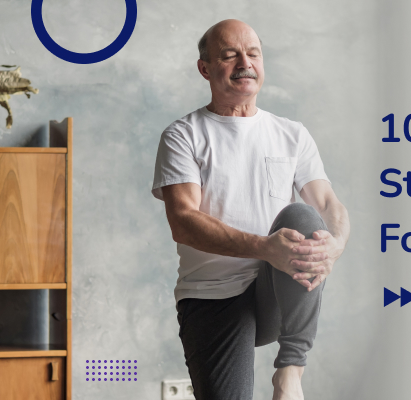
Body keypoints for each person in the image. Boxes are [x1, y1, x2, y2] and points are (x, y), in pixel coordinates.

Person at [151, 19, 350, 400]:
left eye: (253, 53)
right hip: (210, 296)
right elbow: (184, 222)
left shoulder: (291, 133)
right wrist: (265, 247)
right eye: (230, 55)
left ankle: (290, 371)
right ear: (205, 68)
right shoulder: (183, 135)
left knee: (304, 218)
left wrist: (335, 247)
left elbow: (327, 203)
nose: (245, 62)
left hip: (275, 290)